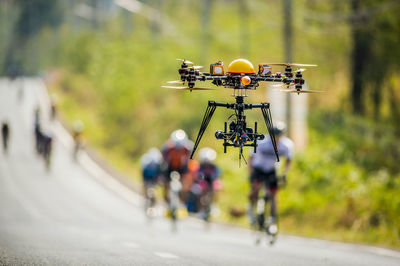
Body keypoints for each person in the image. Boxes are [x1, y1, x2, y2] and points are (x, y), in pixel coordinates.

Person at [248, 121, 294, 225]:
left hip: (271, 170)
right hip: (258, 168)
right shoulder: (262, 141)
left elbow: (288, 160)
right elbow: (251, 157)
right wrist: (251, 172)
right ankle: (250, 210)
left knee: (273, 194)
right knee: (255, 189)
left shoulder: (287, 145)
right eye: (274, 134)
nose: (276, 137)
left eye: (279, 135)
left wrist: (285, 173)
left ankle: (272, 218)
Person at [187, 147, 222, 221]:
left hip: (211, 183)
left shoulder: (214, 167)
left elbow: (217, 175)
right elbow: (196, 176)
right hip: (202, 183)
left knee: (217, 188)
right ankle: (201, 210)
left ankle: (214, 205)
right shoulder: (199, 167)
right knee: (200, 192)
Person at [161, 129, 193, 204]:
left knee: (185, 185)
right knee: (166, 183)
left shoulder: (187, 148)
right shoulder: (168, 147)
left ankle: (182, 202)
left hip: (181, 167)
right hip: (170, 166)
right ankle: (166, 201)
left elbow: (190, 158)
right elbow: (164, 157)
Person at [140, 148, 162, 217]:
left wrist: (158, 182)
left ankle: (154, 205)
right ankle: (145, 199)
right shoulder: (146, 162)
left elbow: (159, 174)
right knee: (146, 189)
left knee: (154, 192)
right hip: (147, 179)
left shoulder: (158, 164)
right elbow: (143, 173)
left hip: (154, 180)